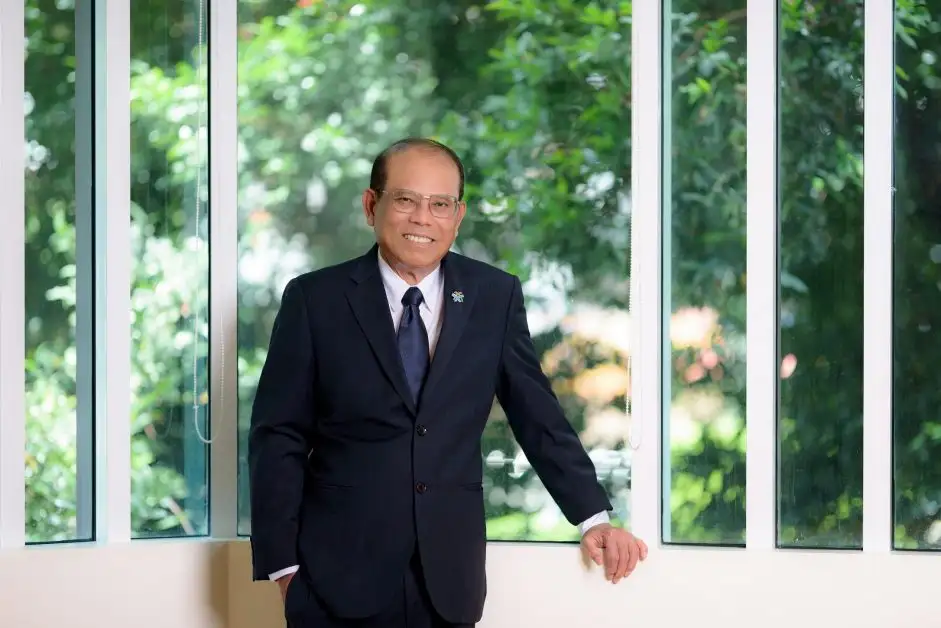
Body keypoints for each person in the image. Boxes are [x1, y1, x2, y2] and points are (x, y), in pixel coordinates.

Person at [248, 137, 648, 628]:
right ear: (371, 205)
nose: (423, 218)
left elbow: (537, 415)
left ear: (458, 216)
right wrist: (283, 569)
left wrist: (594, 518)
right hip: (333, 579)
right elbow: (278, 435)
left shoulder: (494, 296)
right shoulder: (315, 299)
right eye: (406, 200)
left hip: (448, 582)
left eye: (440, 204)